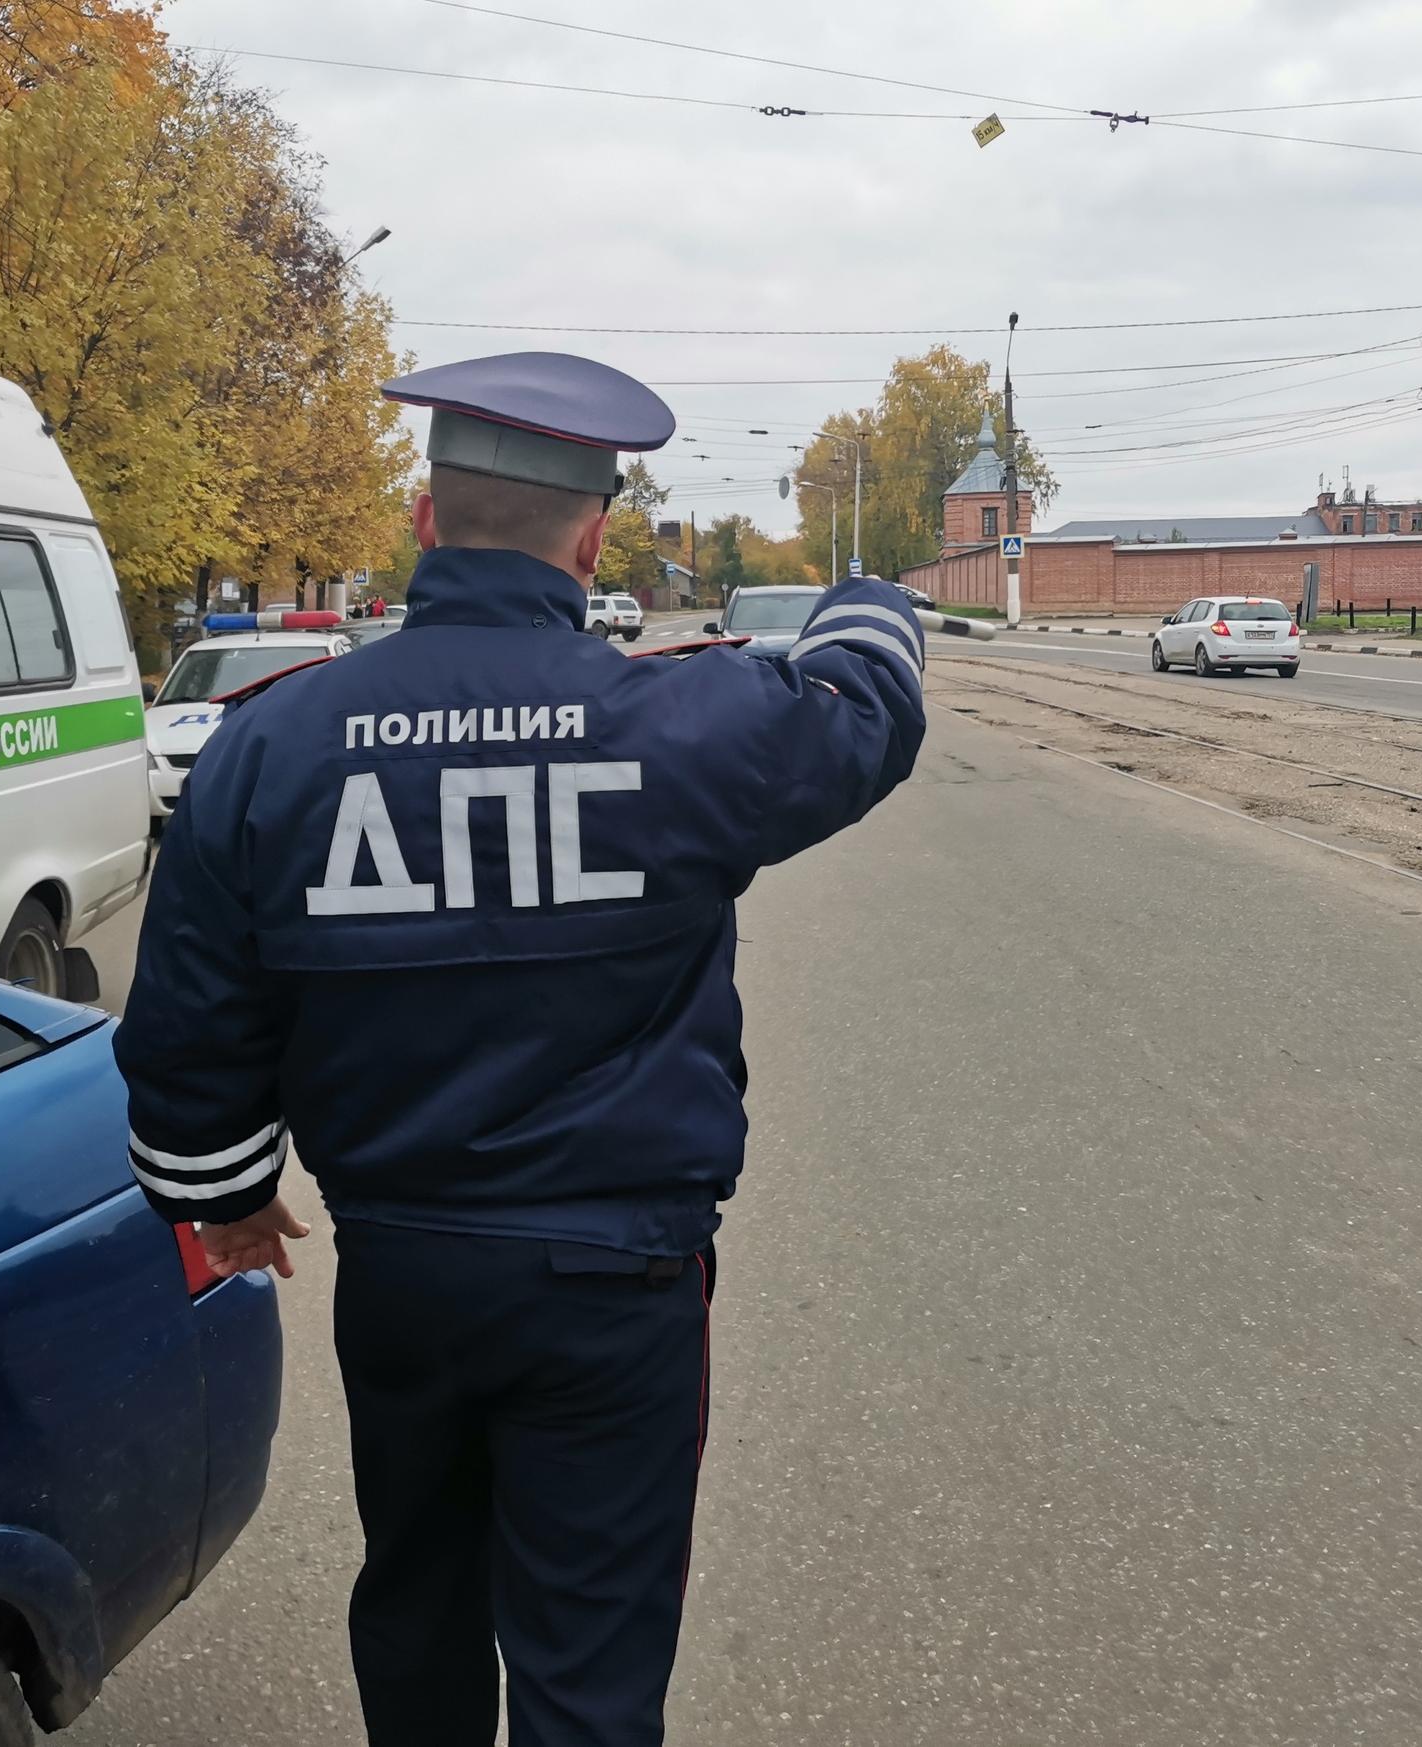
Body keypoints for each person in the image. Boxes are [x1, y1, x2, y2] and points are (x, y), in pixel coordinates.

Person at [114, 350, 927, 1747]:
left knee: (420, 1601)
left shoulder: (275, 741)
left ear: (424, 522)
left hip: (406, 1274)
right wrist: (871, 595)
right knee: (591, 1656)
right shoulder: (688, 722)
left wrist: (222, 1195)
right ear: (594, 536)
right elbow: (867, 717)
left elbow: (190, 1016)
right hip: (616, 1287)